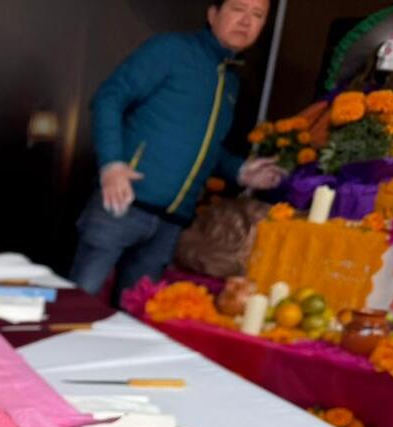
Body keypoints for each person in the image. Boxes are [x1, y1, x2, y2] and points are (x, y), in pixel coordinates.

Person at [70, 0, 285, 301]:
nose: (246, 21)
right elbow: (109, 97)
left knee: (132, 322)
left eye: (257, 15)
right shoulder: (171, 49)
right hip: (122, 203)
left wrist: (241, 171)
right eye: (238, 9)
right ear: (213, 14)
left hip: (169, 225)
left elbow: (203, 146)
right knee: (78, 307)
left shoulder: (231, 80)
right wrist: (111, 165)